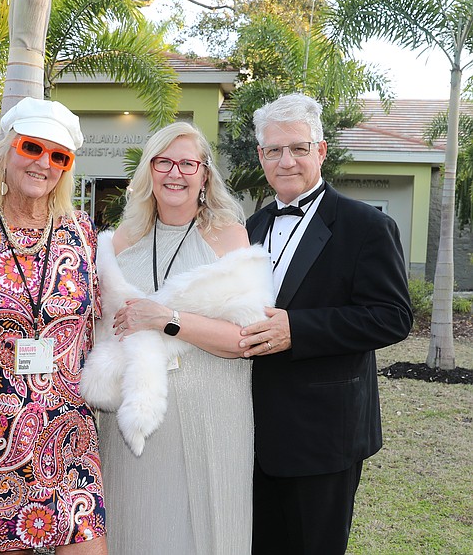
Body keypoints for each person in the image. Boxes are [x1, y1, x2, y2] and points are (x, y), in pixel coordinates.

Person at [82, 121, 272, 554]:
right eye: (164, 161)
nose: (175, 173)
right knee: (138, 524)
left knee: (206, 530)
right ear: (149, 170)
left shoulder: (229, 237)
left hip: (212, 411)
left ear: (204, 174)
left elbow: (244, 339)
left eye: (188, 163)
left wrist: (165, 318)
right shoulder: (117, 243)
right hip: (132, 414)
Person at [239, 93, 413, 554]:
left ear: (321, 150)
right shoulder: (250, 227)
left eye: (298, 147)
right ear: (261, 156)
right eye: (274, 150)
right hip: (251, 431)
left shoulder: (365, 226)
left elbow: (392, 317)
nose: (286, 160)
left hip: (324, 435)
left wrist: (298, 330)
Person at [0, 97, 107, 554]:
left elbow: (102, 321)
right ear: (6, 152)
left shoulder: (81, 231)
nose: (43, 163)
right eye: (32, 147)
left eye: (58, 156)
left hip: (70, 432)